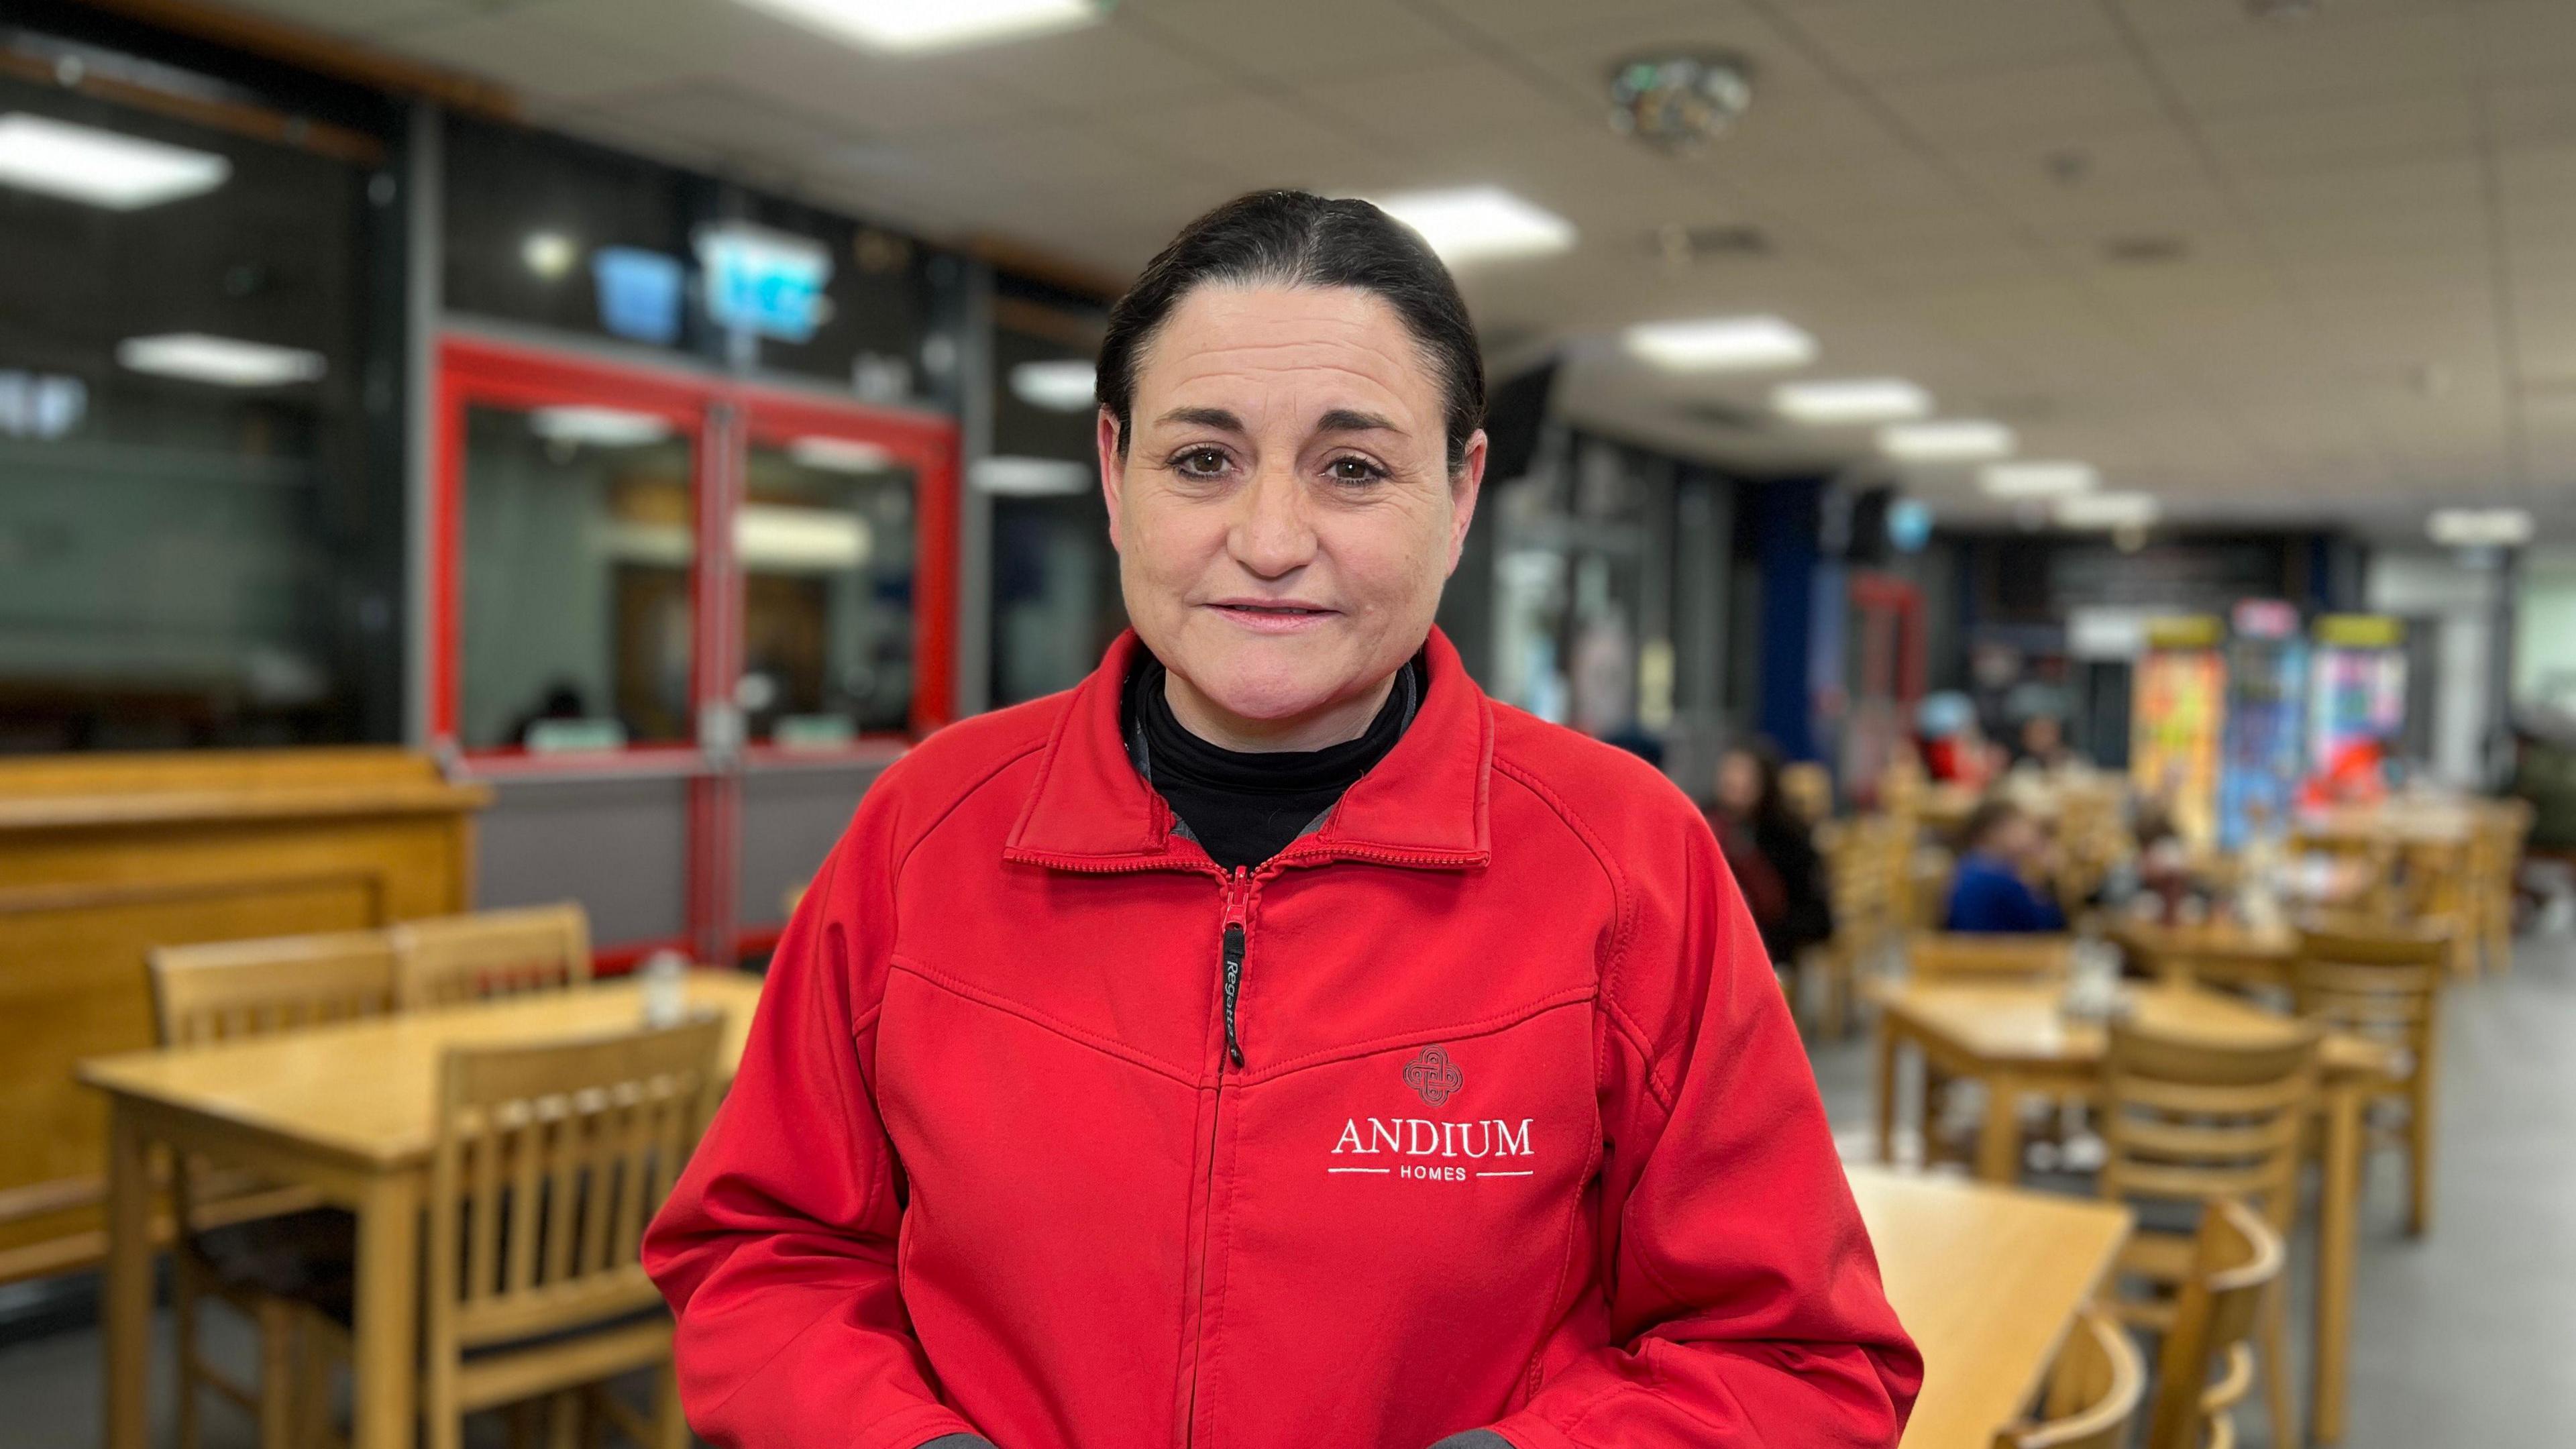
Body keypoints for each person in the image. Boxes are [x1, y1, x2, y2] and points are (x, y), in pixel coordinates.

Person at [643, 191, 1920, 1449]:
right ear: (1113, 470)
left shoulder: (1629, 862)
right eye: (1203, 459)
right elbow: (764, 1255)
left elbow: (1799, 1362)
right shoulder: (930, 827)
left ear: (1462, 495)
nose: (1268, 539)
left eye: (1352, 469)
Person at [1710, 741, 1834, 967]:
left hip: (1769, 957)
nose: (1734, 782)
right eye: (1730, 773)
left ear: (1765, 782)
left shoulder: (1789, 837)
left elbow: (1819, 920)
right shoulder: (1708, 825)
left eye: (1745, 775)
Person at [1944, 798, 2068, 933]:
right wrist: (2048, 880)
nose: (2028, 836)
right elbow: (2049, 926)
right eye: (2018, 827)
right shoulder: (1993, 877)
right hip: (1993, 952)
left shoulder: (1972, 865)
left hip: (1991, 948)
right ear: (1994, 832)